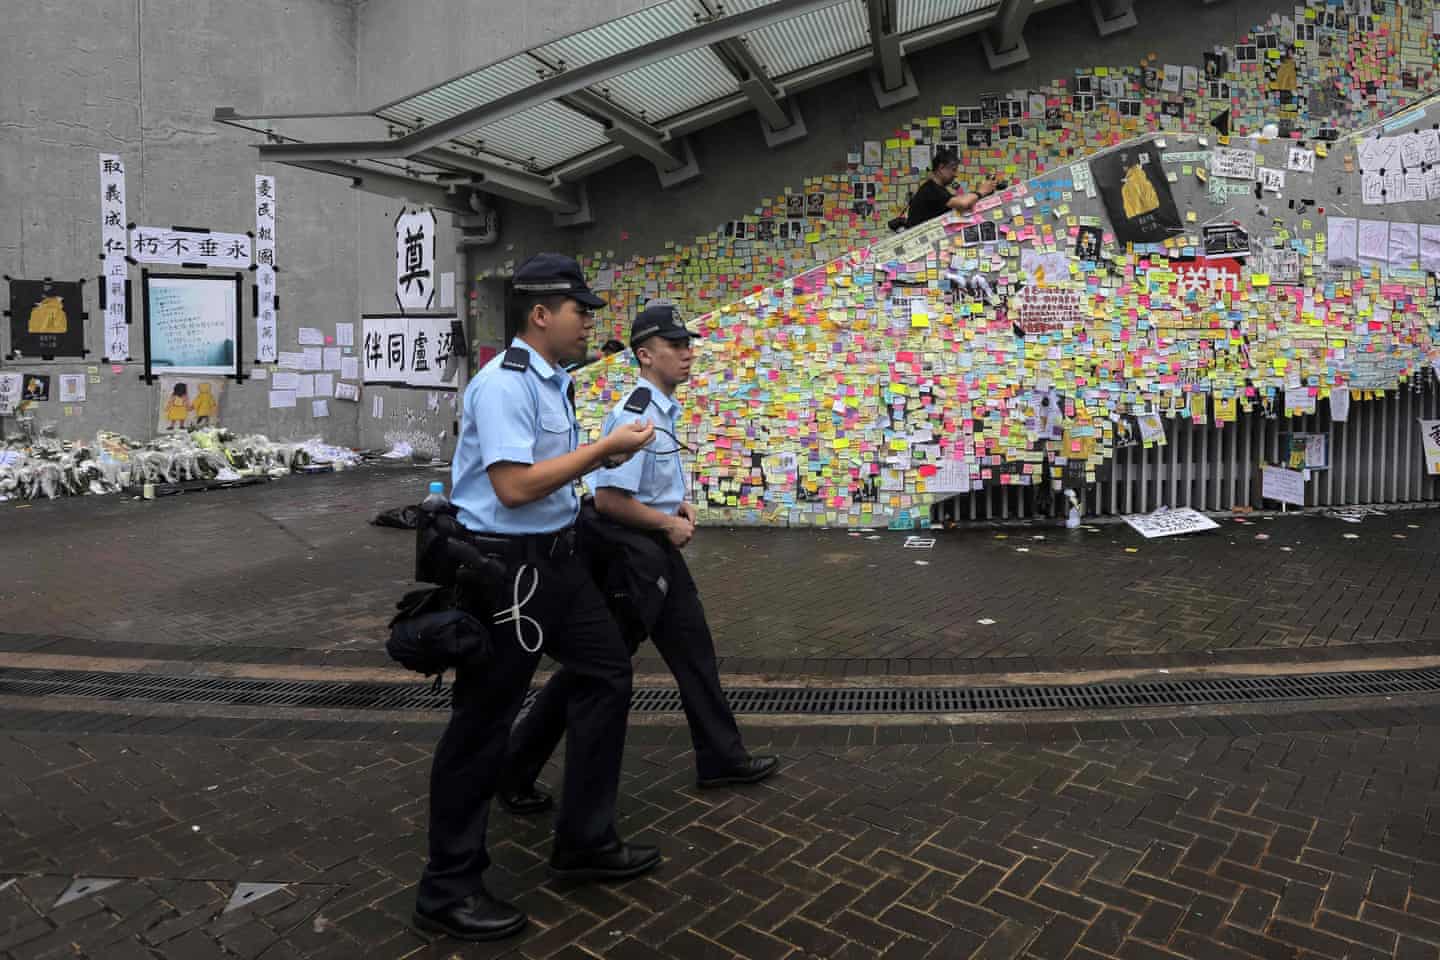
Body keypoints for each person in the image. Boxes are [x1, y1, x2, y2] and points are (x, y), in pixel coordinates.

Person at [412, 253, 660, 944]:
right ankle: (447, 888)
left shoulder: (554, 381)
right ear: (541, 314)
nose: (589, 323)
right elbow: (514, 487)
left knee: (606, 671)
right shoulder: (504, 384)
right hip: (506, 571)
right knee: (481, 723)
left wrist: (599, 463)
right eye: (581, 311)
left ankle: (585, 840)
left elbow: (547, 479)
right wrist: (603, 452)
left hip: (557, 561)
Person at [499, 302, 778, 817]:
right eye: (675, 345)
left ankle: (721, 757)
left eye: (688, 344)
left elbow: (647, 486)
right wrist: (667, 524)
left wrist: (676, 505)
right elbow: (609, 500)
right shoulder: (637, 413)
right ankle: (515, 768)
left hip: (654, 552)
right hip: (633, 561)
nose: (687, 353)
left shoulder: (662, 407)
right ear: (646, 355)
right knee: (592, 671)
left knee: (694, 654)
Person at [904, 147, 1002, 228]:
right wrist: (981, 191)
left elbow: (960, 200)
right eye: (953, 170)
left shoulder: (936, 188)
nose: (956, 175)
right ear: (941, 168)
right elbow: (962, 203)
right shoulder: (931, 190)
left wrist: (983, 192)